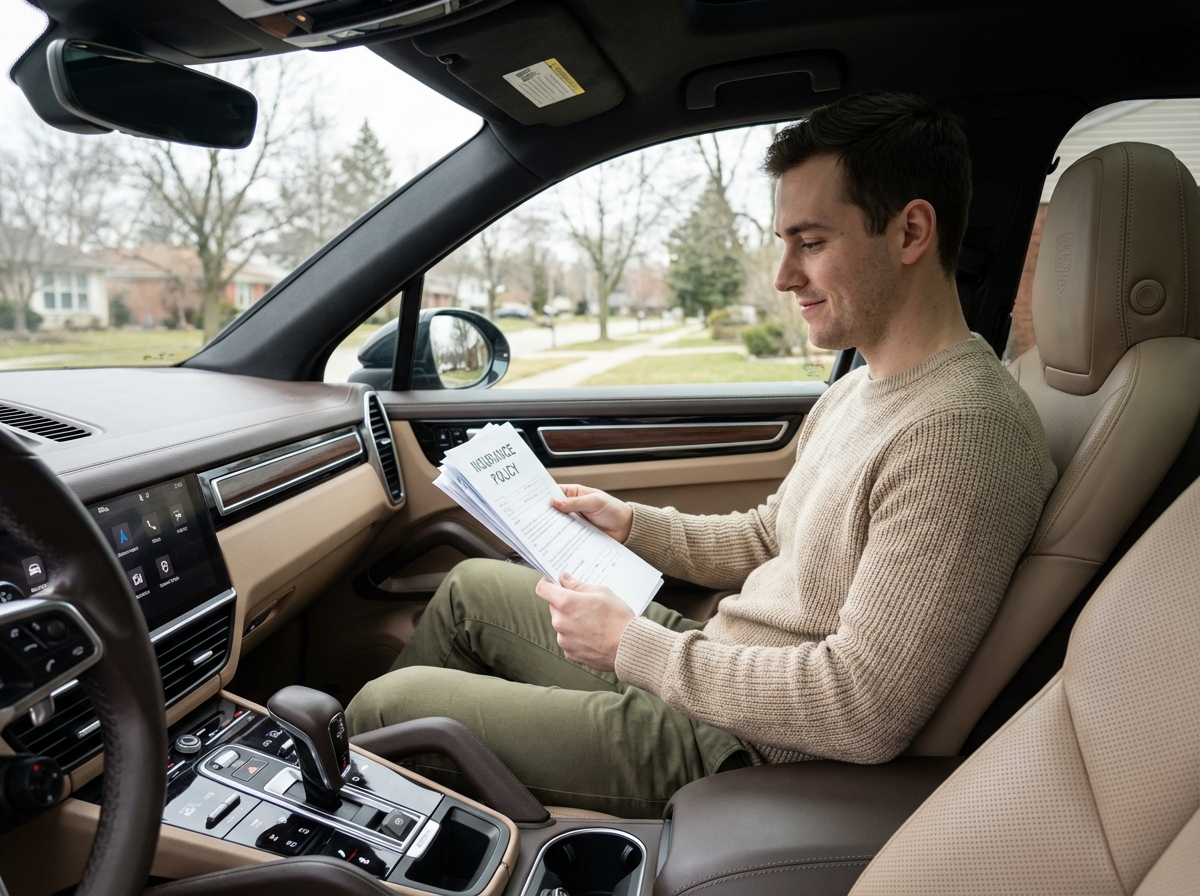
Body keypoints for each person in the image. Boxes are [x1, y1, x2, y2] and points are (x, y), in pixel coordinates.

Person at [345, 92, 1057, 817]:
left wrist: (633, 646)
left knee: (388, 705)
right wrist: (629, 523)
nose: (783, 276)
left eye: (810, 243)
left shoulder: (962, 435)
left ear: (910, 232)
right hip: (720, 661)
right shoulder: (861, 390)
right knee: (469, 588)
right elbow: (767, 537)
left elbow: (860, 706)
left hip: (737, 741)